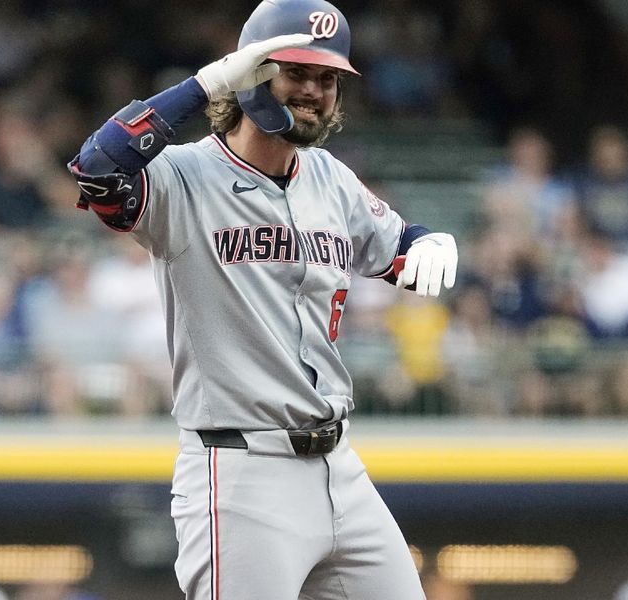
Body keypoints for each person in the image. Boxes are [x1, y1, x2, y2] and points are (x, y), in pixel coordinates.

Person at [66, 0, 458, 598]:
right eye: (297, 73)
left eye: (327, 79)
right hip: (240, 470)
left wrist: (428, 238)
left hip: (340, 468)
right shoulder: (182, 176)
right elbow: (96, 168)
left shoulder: (330, 177)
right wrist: (204, 86)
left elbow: (399, 247)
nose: (315, 91)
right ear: (249, 75)